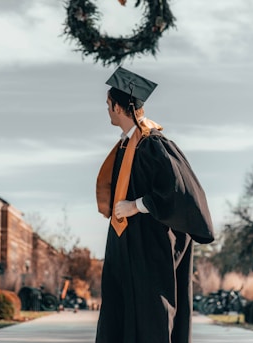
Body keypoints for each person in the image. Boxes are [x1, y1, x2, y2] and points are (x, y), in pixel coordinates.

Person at [95, 66, 214, 343]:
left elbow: (180, 191)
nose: (107, 110)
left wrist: (136, 205)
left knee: (150, 317)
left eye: (108, 105)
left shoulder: (153, 143)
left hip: (148, 247)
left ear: (117, 107)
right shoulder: (127, 145)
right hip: (126, 246)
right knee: (120, 314)